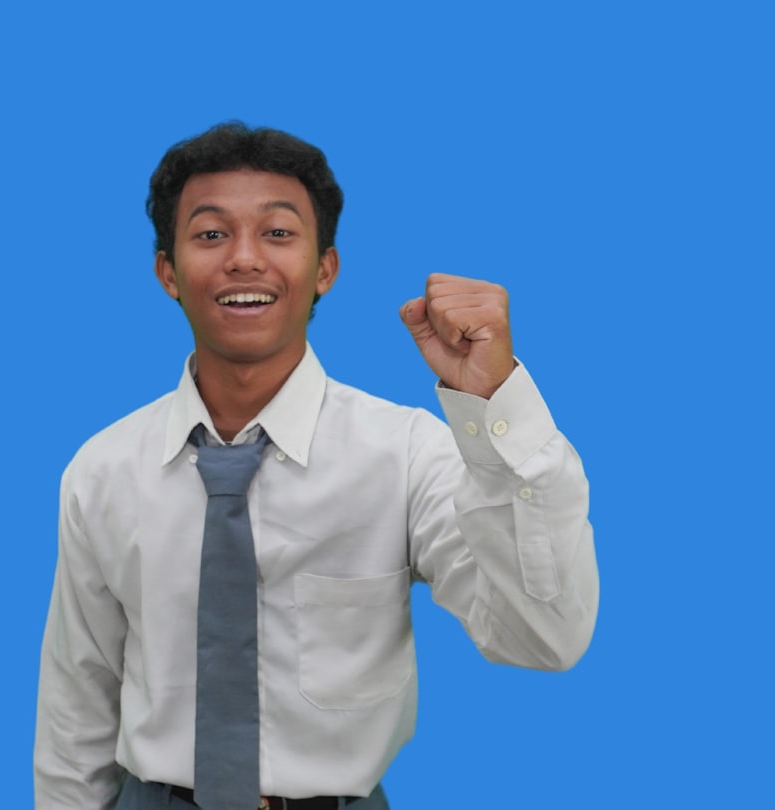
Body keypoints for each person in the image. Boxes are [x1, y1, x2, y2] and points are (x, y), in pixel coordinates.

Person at [34, 122, 599, 810]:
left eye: (278, 233)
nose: (245, 259)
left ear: (325, 268)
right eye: (211, 235)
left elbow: (545, 639)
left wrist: (494, 404)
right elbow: (76, 707)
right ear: (168, 272)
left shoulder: (407, 455)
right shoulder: (102, 470)